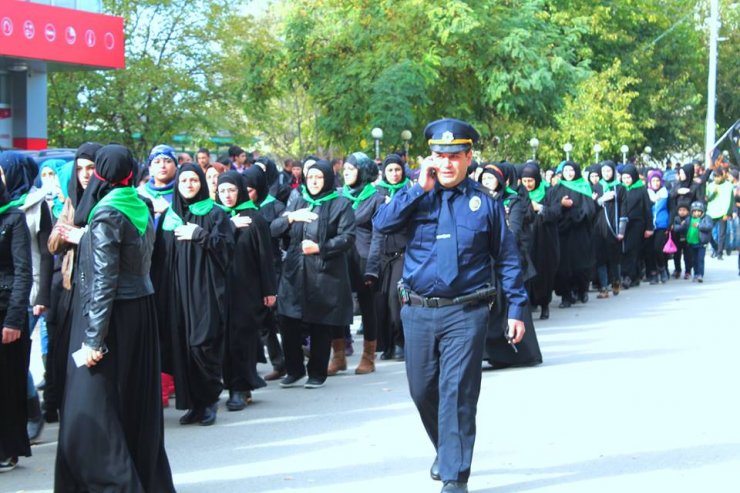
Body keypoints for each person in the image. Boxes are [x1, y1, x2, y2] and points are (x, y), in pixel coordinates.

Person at [373, 118, 527, 493]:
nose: (446, 163)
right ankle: (446, 450)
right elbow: (382, 223)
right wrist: (415, 188)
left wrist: (517, 309)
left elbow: (507, 258)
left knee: (456, 390)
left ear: (469, 157)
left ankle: (455, 476)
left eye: (455, 155)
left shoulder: (485, 204)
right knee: (422, 389)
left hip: (466, 310)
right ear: (430, 157)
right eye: (439, 155)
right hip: (419, 310)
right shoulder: (416, 195)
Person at [54, 144, 175, 492]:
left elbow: (105, 280)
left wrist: (93, 339)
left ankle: (116, 483)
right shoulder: (140, 203)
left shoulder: (107, 213)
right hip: (140, 312)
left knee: (88, 411)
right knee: (133, 406)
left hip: (110, 317)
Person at [271, 160, 356, 389]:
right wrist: (291, 217)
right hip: (294, 271)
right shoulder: (299, 200)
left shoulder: (340, 203)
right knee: (288, 320)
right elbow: (274, 228)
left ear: (327, 178)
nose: (314, 181)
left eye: (319, 177)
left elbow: (347, 237)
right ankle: (294, 369)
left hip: (323, 272)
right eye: (311, 177)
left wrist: (321, 247)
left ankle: (317, 372)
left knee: (320, 324)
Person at [162, 164, 234, 426]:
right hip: (177, 293)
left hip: (206, 291)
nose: (189, 185)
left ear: (202, 184)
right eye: (184, 180)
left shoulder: (215, 214)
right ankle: (193, 403)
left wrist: (200, 235)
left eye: (194, 180)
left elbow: (227, 249)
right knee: (183, 348)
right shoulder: (170, 217)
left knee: (202, 345)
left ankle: (209, 401)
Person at [44, 143, 101, 423]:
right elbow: (53, 244)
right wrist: (72, 232)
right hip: (69, 286)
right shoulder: (70, 200)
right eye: (80, 169)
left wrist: (83, 237)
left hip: (99, 288)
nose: (85, 174)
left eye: (91, 168)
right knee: (64, 352)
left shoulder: (109, 200)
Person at [0, 152, 53, 445]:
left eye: (4, 171)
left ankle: (33, 412)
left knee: (14, 360)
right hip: (9, 289)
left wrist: (42, 295)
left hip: (27, 289)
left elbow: (45, 253)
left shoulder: (35, 204)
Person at [216, 171, 276, 411]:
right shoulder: (217, 217)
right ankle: (230, 383)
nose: (227, 196)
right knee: (225, 339)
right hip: (221, 289)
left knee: (243, 338)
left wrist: (269, 290)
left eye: (231, 190)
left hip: (247, 289)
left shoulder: (254, 218)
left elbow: (265, 257)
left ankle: (241, 388)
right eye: (222, 191)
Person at [331, 152, 384, 375]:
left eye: (352, 170)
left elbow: (379, 235)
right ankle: (339, 356)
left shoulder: (376, 197)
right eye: (345, 170)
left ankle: (368, 357)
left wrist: (372, 267)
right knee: (335, 306)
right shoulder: (338, 195)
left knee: (367, 307)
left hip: (364, 258)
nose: (347, 173)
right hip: (340, 258)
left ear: (363, 171)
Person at [0, 167, 33, 473]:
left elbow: (23, 271)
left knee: (8, 383)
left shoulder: (13, 218)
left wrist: (13, 320)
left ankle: (8, 448)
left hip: (7, 310)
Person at [244, 166, 287, 381]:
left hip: (272, 267)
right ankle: (278, 362)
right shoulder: (238, 210)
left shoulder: (275, 206)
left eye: (250, 189)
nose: (246, 193)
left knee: (275, 317)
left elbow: (282, 232)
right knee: (263, 321)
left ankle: (286, 360)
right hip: (248, 271)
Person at [369, 154, 411, 360]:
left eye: (397, 170)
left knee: (396, 298)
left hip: (402, 253)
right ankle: (386, 345)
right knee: (382, 301)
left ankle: (400, 342)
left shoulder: (410, 191)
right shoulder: (377, 194)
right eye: (390, 170)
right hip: (381, 254)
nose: (394, 174)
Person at [549, 161, 595, 307]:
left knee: (580, 265)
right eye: (566, 170)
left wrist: (575, 215)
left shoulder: (584, 187)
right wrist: (562, 206)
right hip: (562, 233)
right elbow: (552, 209)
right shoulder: (557, 188)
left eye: (571, 170)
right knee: (563, 267)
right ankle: (566, 296)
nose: (568, 173)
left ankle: (581, 290)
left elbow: (589, 210)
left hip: (579, 232)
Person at [520, 162, 560, 319]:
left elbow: (556, 212)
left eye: (530, 181)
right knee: (528, 272)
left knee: (544, 272)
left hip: (545, 240)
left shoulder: (548, 192)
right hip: (526, 239)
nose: (528, 184)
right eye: (524, 181)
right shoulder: (520, 194)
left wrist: (541, 208)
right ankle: (530, 304)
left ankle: (545, 305)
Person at [592, 161, 626, 298]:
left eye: (609, 171)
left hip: (614, 227)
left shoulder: (620, 188)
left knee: (614, 257)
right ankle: (604, 287)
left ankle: (616, 281)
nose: (606, 174)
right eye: (604, 171)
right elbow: (591, 207)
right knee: (600, 258)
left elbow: (624, 208)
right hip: (599, 227)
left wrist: (622, 230)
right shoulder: (596, 186)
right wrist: (600, 200)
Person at [620, 164, 654, 288]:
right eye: (624, 178)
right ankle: (634, 276)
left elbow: (647, 209)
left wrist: (649, 227)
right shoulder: (620, 188)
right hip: (623, 224)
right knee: (624, 250)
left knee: (632, 249)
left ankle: (628, 276)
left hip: (637, 224)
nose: (626, 180)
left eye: (628, 178)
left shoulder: (641, 189)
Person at [673, 201, 713, 282]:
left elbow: (709, 226)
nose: (696, 213)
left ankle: (700, 275)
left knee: (700, 259)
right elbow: (681, 227)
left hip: (701, 243)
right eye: (694, 211)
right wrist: (677, 226)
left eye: (698, 211)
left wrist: (699, 225)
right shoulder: (689, 219)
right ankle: (695, 274)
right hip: (691, 243)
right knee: (694, 260)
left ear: (702, 211)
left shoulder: (706, 218)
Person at [137, 145, 178, 221]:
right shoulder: (139, 193)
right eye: (157, 162)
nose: (162, 166)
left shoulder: (183, 192)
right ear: (150, 168)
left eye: (168, 161)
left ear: (176, 167)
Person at [646, 169, 670, 283]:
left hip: (661, 224)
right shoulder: (647, 194)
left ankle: (662, 268)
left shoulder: (665, 193)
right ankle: (653, 273)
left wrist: (669, 225)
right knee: (649, 250)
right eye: (653, 181)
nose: (655, 183)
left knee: (657, 248)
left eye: (657, 180)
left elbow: (671, 209)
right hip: (649, 225)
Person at [705, 167, 734, 259]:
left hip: (723, 213)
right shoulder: (710, 185)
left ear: (722, 176)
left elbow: (731, 201)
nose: (716, 178)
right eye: (714, 177)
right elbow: (707, 199)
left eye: (718, 176)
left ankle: (720, 253)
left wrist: (728, 213)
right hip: (711, 212)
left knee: (722, 234)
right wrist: (714, 193)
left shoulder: (729, 186)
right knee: (707, 233)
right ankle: (716, 247)